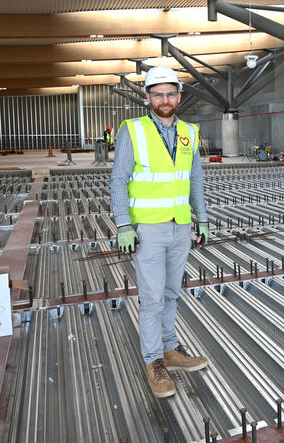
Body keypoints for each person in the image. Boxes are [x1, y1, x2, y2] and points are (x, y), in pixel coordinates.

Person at [109, 65, 210, 398]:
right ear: (148, 97)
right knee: (152, 298)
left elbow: (195, 179)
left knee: (170, 294)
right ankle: (153, 362)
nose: (164, 100)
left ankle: (169, 350)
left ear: (179, 96)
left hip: (180, 227)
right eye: (158, 94)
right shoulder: (133, 131)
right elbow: (118, 180)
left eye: (170, 94)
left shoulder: (189, 132)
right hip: (148, 229)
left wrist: (202, 219)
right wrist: (123, 224)